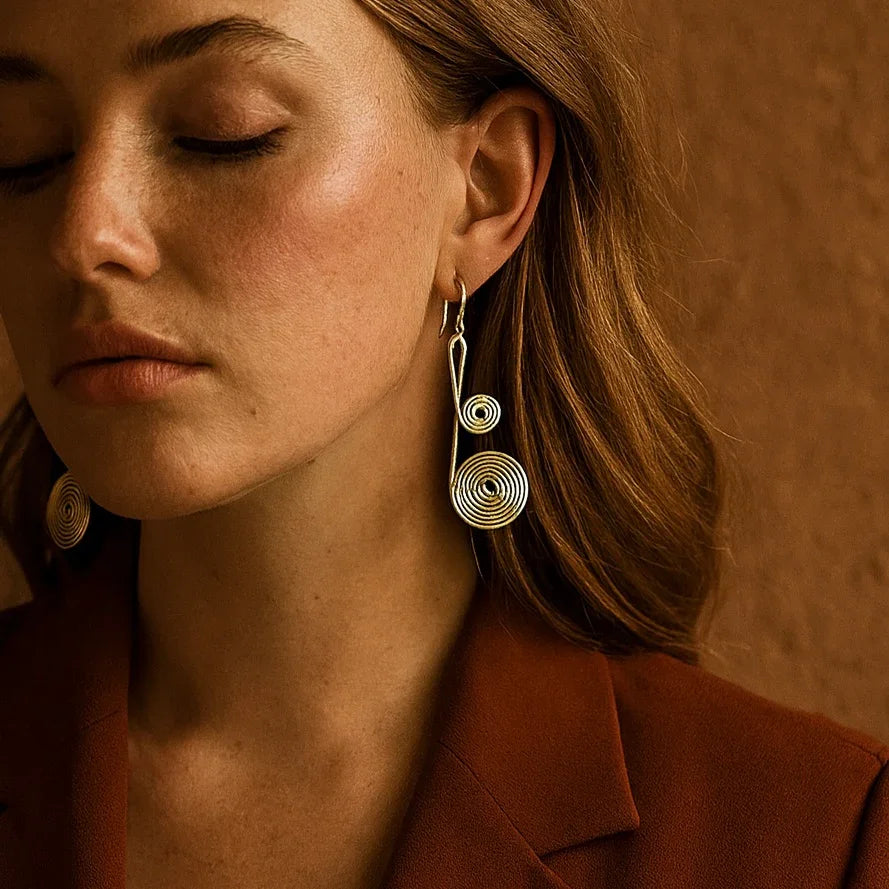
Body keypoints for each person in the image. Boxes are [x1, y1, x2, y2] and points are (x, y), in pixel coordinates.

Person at [0, 0, 885, 887]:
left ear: (486, 187)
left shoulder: (814, 842)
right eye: (24, 154)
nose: (83, 235)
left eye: (221, 133)